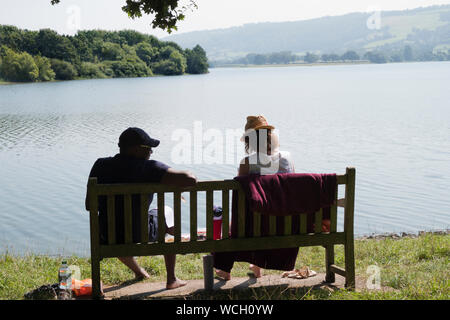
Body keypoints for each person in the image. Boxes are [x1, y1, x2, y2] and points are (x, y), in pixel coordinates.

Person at [85, 127, 197, 289]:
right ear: (136, 149)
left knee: (122, 227)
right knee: (166, 211)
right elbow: (190, 180)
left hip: (107, 235)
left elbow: (89, 205)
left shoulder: (100, 165)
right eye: (149, 149)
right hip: (140, 233)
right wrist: (188, 171)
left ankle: (140, 272)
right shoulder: (149, 168)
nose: (151, 152)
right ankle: (172, 277)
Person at [215, 115, 296, 280]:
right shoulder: (287, 157)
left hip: (255, 226)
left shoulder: (247, 162)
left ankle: (225, 270)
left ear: (249, 141)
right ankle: (256, 266)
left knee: (243, 221)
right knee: (264, 214)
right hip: (287, 224)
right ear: (270, 136)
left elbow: (241, 195)